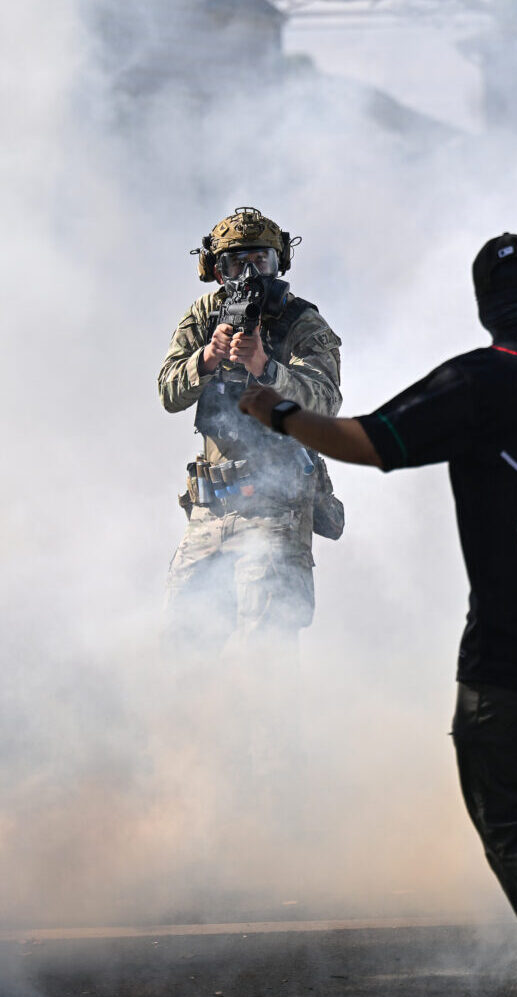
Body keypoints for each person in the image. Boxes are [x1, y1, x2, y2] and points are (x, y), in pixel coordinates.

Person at [240, 233, 517, 997]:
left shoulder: (479, 382)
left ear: (486, 310)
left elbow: (369, 443)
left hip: (510, 654)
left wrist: (278, 413)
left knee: (507, 812)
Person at [158, 206, 344, 662]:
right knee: (182, 644)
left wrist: (267, 368)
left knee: (267, 650)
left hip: (276, 507)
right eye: (234, 262)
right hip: (212, 509)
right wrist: (205, 359)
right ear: (216, 270)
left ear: (278, 262)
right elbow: (167, 390)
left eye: (259, 260)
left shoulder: (301, 322)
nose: (248, 272)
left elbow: (326, 401)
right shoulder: (204, 316)